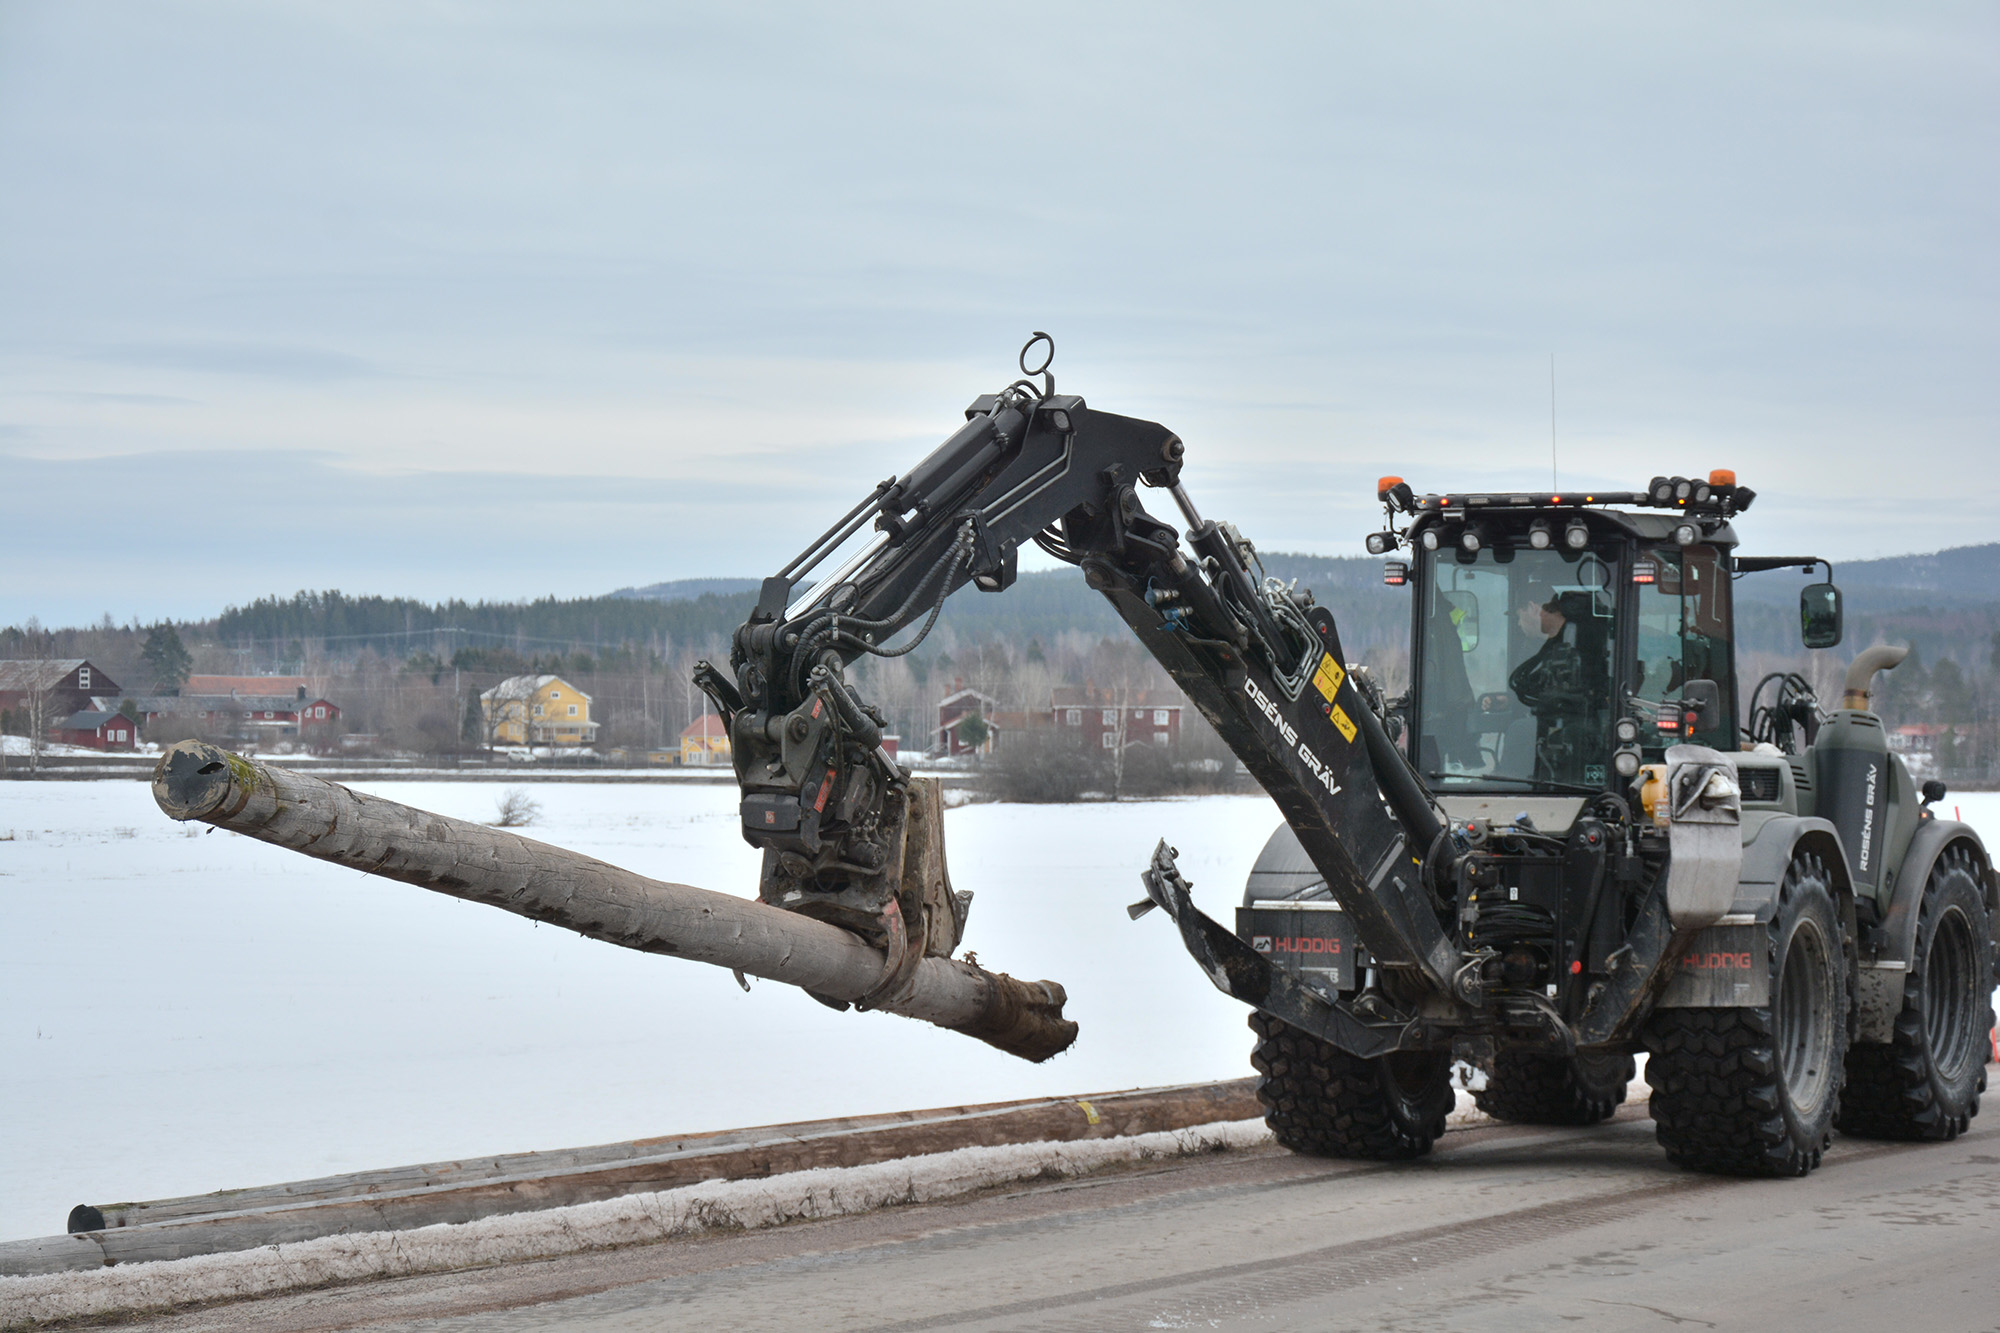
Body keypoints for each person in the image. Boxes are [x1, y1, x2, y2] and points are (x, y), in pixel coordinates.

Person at [1509, 589, 1608, 783]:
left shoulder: (1581, 640)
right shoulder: (1546, 645)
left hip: (1580, 726)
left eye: (1520, 617)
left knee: (1519, 730)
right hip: (1559, 724)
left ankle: (1512, 782)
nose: (1520, 624)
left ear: (1532, 607)